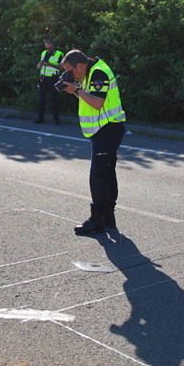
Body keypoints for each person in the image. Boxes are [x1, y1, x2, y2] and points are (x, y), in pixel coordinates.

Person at [59, 49, 126, 234]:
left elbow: (97, 103)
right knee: (107, 174)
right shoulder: (91, 71)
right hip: (104, 130)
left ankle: (97, 220)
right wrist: (75, 90)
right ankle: (108, 218)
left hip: (108, 130)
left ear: (80, 66)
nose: (71, 75)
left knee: (98, 176)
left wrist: (77, 90)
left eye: (71, 71)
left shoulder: (98, 73)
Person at [34, 39, 64, 124]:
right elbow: (38, 67)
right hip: (43, 78)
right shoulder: (43, 53)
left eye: (49, 48)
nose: (48, 50)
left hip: (53, 78)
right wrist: (40, 64)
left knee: (54, 98)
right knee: (41, 98)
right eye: (46, 48)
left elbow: (61, 67)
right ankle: (40, 117)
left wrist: (51, 65)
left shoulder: (59, 54)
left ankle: (56, 118)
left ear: (53, 46)